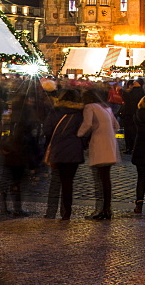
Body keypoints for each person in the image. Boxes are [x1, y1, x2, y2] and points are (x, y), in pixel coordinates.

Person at [78, 88, 120, 220]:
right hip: (110, 146)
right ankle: (107, 209)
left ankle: (100, 210)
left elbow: (87, 124)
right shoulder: (106, 108)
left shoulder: (90, 107)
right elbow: (116, 126)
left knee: (99, 180)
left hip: (99, 145)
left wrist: (77, 135)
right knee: (106, 179)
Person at [43, 88, 85, 220]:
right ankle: (66, 212)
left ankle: (51, 211)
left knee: (55, 181)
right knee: (68, 183)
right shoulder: (79, 113)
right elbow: (84, 133)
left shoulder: (55, 110)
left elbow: (47, 129)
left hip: (57, 150)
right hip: (74, 151)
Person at [121, 78, 145, 154]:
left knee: (131, 131)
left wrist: (123, 92)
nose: (134, 82)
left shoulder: (137, 91)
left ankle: (131, 147)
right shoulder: (136, 90)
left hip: (132, 114)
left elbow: (130, 100)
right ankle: (130, 147)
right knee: (130, 131)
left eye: (135, 81)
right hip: (131, 114)